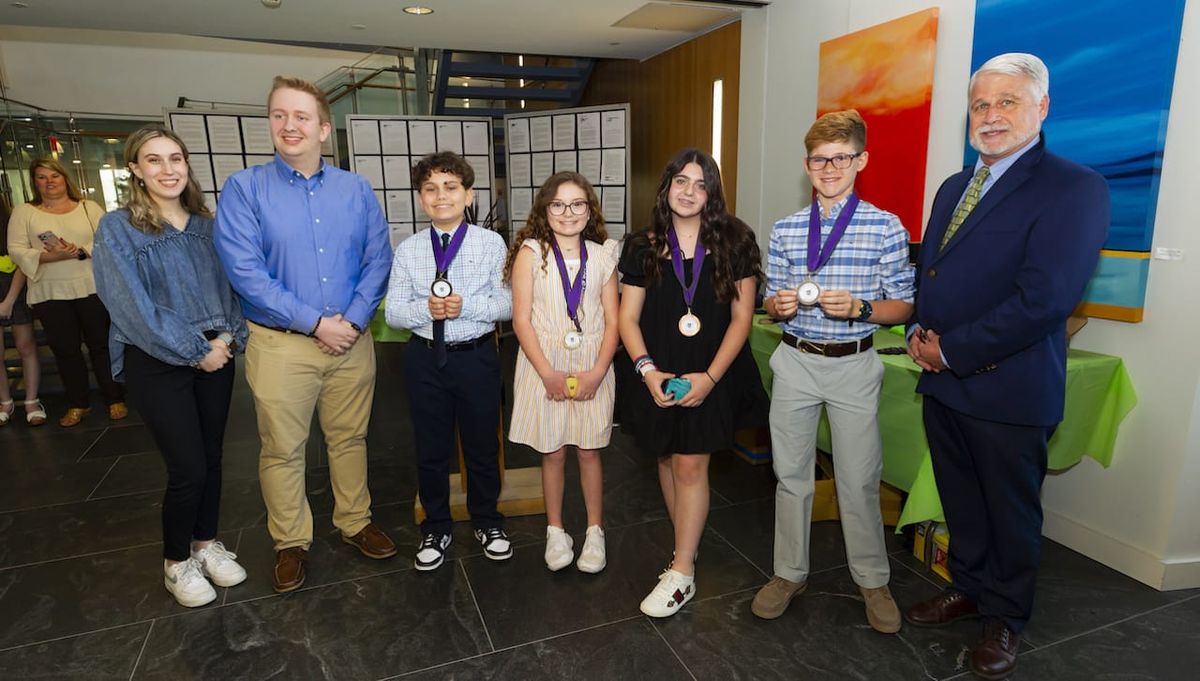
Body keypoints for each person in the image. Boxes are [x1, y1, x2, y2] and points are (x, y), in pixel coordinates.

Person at [904, 53, 1109, 679]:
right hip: (945, 386)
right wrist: (918, 328)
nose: (990, 117)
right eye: (980, 105)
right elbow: (931, 274)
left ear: (1041, 108)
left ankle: (1006, 617)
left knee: (1010, 512)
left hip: (1009, 392)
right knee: (962, 502)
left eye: (1007, 103)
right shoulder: (953, 187)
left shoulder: (1074, 188)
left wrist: (954, 348)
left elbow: (1045, 300)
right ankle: (968, 588)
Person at [215, 76, 397, 594]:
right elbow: (245, 272)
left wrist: (353, 322)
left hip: (352, 339)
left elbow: (376, 260)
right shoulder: (244, 190)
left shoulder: (356, 190)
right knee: (281, 448)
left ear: (323, 128)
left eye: (300, 116)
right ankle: (290, 541)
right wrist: (317, 324)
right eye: (278, 115)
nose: (288, 125)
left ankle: (355, 521)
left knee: (350, 438)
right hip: (280, 345)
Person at [751, 110, 914, 633]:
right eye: (819, 159)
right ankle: (788, 573)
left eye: (840, 157)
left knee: (859, 478)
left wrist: (862, 308)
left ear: (860, 161)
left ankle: (872, 580)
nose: (829, 168)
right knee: (791, 476)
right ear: (807, 164)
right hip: (796, 359)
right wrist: (777, 307)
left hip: (853, 364)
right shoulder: (786, 229)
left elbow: (903, 306)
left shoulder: (885, 226)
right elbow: (773, 301)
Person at [92, 125, 249, 607]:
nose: (167, 169)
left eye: (175, 158)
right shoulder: (118, 228)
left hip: (216, 353)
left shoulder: (208, 225)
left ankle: (205, 544)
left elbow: (234, 292)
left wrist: (224, 339)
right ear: (135, 170)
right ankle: (175, 561)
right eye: (154, 160)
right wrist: (193, 348)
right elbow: (129, 305)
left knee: (212, 458)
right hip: (157, 358)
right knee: (187, 468)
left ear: (187, 165)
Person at [618, 148, 767, 617]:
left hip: (712, 370)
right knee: (666, 456)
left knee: (689, 466)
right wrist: (647, 371)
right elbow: (627, 317)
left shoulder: (736, 240)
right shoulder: (641, 245)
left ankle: (682, 572)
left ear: (712, 193)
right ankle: (688, 540)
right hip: (657, 372)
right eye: (680, 181)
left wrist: (709, 378)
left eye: (700, 184)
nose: (688, 191)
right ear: (665, 187)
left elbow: (743, 318)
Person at [385, 151, 513, 571]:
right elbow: (393, 312)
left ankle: (488, 520)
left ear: (468, 194)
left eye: (451, 187)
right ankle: (436, 526)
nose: (441, 196)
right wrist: (429, 309)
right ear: (421, 198)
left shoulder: (491, 244)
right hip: (425, 360)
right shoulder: (408, 250)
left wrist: (466, 306)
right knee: (431, 447)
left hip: (475, 357)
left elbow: (508, 303)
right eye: (431, 189)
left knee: (482, 445)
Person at [503, 172, 620, 573]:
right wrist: (548, 373)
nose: (567, 213)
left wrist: (599, 371)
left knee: (589, 450)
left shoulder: (603, 255)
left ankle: (594, 531)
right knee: (551, 451)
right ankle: (556, 531)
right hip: (544, 364)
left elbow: (614, 321)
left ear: (589, 210)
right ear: (545, 209)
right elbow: (521, 321)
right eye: (558, 205)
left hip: (592, 364)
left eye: (576, 204)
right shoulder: (532, 253)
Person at [6, 159, 127, 427]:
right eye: (41, 177)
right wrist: (52, 257)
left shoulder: (88, 207)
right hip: (50, 292)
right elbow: (16, 249)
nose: (49, 181)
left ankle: (114, 398)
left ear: (64, 178)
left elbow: (106, 239)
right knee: (65, 350)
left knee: (101, 346)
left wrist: (81, 250)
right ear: (34, 182)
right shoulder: (25, 212)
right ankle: (78, 404)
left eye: (54, 176)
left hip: (92, 287)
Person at [0, 197, 43, 426]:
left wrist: (8, 301)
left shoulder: (12, 223)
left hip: (14, 292)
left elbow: (23, 262)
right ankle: (5, 403)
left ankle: (32, 402)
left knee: (25, 346)